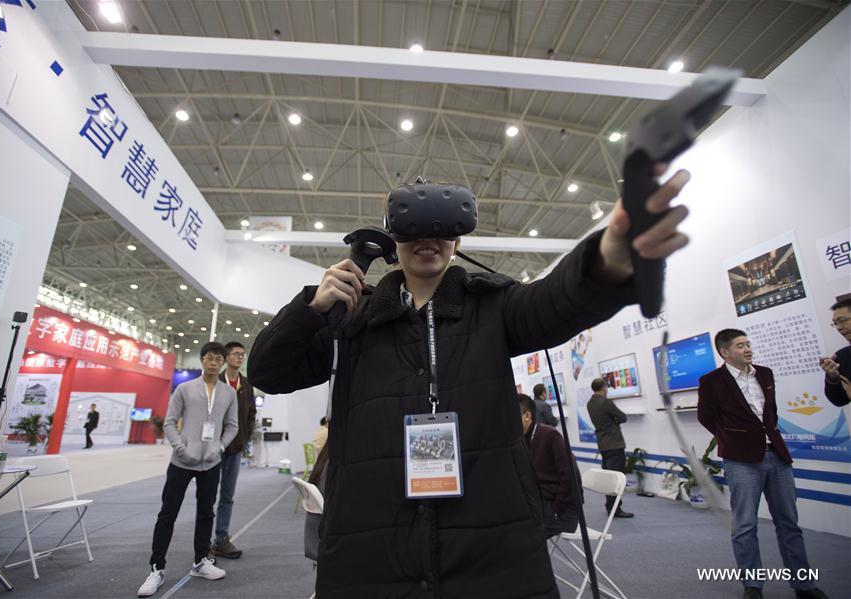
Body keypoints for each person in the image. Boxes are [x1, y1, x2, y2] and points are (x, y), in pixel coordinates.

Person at [248, 167, 691, 598]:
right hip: (370, 546)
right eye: (413, 230)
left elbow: (555, 301)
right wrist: (310, 308)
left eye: (441, 230)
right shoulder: (353, 317)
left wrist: (606, 259)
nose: (428, 241)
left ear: (458, 239)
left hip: (491, 546)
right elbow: (268, 372)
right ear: (391, 240)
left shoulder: (494, 305)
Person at [697, 329, 828, 599]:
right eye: (740, 345)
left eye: (748, 344)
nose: (747, 349)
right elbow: (706, 417)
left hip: (776, 455)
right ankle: (753, 585)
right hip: (741, 460)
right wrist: (732, 438)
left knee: (789, 523)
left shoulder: (765, 374)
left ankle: (803, 584)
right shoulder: (711, 381)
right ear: (725, 352)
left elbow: (771, 413)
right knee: (745, 524)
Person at [137, 342, 238, 598]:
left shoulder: (228, 393)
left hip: (211, 463)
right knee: (167, 514)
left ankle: (201, 561)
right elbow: (170, 423)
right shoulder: (185, 389)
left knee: (206, 513)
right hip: (181, 462)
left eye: (218, 359)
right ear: (202, 360)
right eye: (209, 358)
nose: (213, 363)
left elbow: (232, 426)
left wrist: (219, 447)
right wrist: (181, 448)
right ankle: (156, 568)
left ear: (223, 362)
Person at [211, 341, 256, 560]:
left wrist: (245, 438)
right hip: (212, 449)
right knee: (208, 495)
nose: (240, 357)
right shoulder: (215, 382)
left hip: (235, 448)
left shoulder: (246, 385)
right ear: (226, 357)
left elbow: (251, 414)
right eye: (236, 354)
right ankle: (203, 541)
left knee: (227, 496)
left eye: (242, 354)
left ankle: (221, 539)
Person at [518, 394, 581, 537]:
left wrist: (555, 509)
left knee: (517, 535)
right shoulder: (521, 440)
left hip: (561, 513)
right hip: (538, 506)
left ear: (527, 416)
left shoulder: (550, 435)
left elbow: (572, 477)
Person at [586, 378, 633, 518]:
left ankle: (611, 506)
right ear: (604, 387)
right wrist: (615, 420)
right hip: (614, 444)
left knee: (609, 476)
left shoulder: (590, 403)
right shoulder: (605, 402)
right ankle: (615, 508)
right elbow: (622, 417)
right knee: (616, 477)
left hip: (603, 443)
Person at [819, 297, 851, 407]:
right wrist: (832, 377)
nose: (839, 327)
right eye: (835, 323)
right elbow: (839, 401)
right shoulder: (842, 356)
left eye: (842, 321)